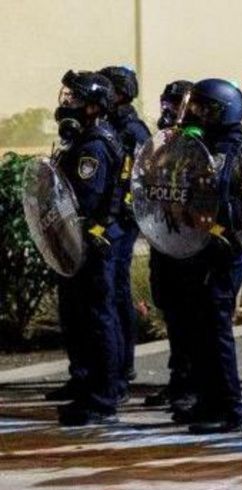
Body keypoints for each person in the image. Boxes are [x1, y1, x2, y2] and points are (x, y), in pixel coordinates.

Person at [170, 79, 242, 434]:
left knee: (216, 330)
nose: (195, 113)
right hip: (199, 246)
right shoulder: (203, 144)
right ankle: (206, 400)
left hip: (224, 249)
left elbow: (227, 196)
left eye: (203, 108)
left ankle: (229, 409)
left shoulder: (233, 148)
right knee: (198, 328)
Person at [50, 70, 126, 425]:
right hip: (84, 243)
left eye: (77, 99)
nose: (69, 104)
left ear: (95, 107)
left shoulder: (93, 147)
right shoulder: (84, 138)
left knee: (97, 320)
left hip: (94, 243)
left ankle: (101, 398)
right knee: (85, 319)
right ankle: (89, 389)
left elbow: (85, 199)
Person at [144, 80, 198, 411]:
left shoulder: (196, 145)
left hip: (187, 242)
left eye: (175, 106)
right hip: (163, 238)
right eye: (166, 105)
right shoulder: (163, 142)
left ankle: (192, 385)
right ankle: (178, 380)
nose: (169, 112)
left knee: (190, 319)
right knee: (173, 316)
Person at [98, 65, 152, 386]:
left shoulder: (133, 131)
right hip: (107, 220)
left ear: (119, 93)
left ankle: (122, 366)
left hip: (121, 222)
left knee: (117, 291)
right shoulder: (107, 124)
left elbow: (138, 178)